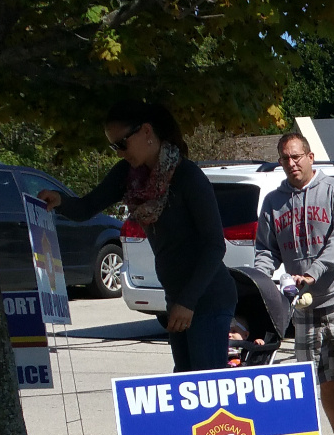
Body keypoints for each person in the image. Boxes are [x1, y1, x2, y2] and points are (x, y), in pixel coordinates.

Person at [41, 102, 226, 371]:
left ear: (146, 131)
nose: (119, 153)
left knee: (204, 385)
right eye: (113, 147)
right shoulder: (128, 176)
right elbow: (85, 208)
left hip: (207, 296)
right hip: (176, 294)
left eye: (122, 144)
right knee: (185, 381)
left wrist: (188, 302)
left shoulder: (187, 176)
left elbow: (214, 246)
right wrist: (60, 201)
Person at [254, 131, 334, 435]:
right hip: (304, 303)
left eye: (296, 156)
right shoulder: (274, 202)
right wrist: (261, 281)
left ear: (310, 157)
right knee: (323, 377)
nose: (291, 163)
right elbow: (265, 249)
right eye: (284, 158)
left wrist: (315, 271)